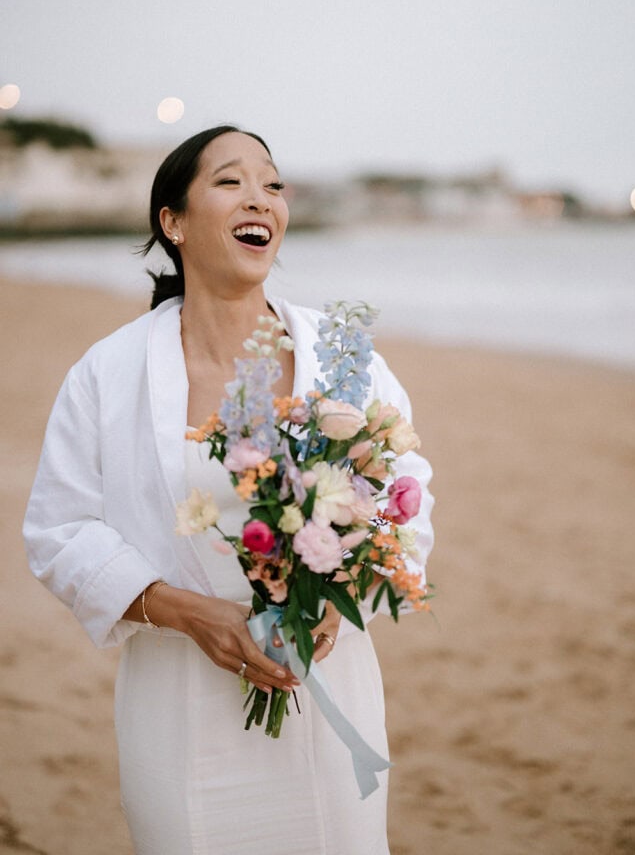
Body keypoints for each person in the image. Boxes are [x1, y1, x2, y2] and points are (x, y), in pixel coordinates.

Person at [23, 125, 434, 855]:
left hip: (324, 687)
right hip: (176, 705)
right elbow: (59, 528)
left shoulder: (340, 359)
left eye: (272, 184)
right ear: (172, 222)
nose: (261, 198)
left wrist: (344, 588)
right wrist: (187, 614)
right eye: (230, 180)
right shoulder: (108, 371)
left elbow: (405, 494)